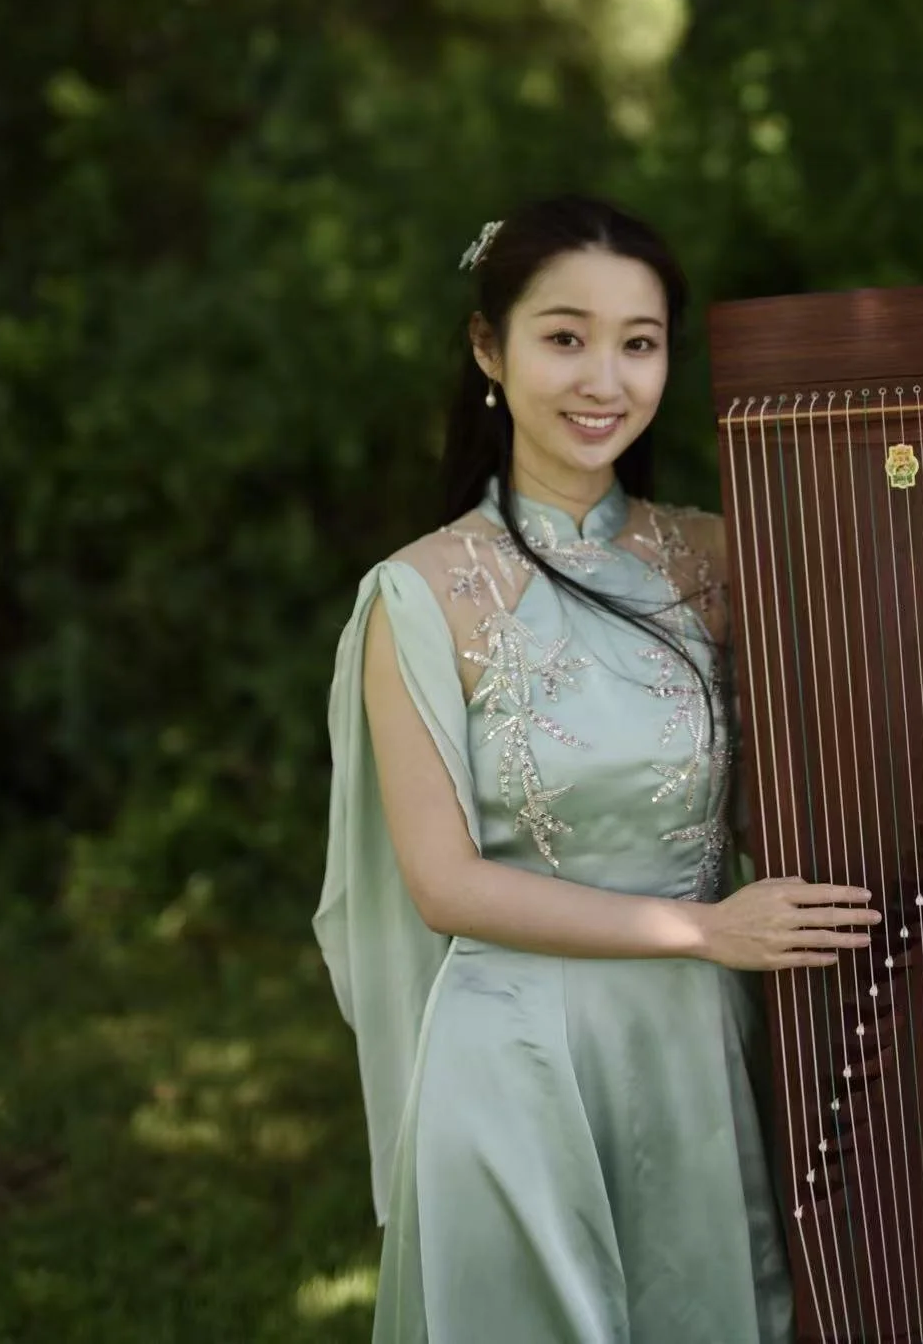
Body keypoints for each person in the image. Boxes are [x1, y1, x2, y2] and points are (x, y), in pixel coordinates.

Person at [312, 194, 881, 1344]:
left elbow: (843, 727)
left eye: (640, 341)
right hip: (518, 1053)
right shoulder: (418, 595)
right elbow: (446, 884)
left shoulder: (720, 556)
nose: (603, 380)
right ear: (489, 347)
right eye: (564, 336)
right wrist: (707, 932)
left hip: (697, 1047)